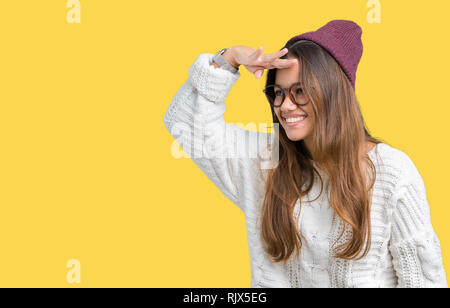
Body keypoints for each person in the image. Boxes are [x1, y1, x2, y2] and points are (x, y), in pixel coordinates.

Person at [163, 20, 448, 288]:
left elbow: (423, 280)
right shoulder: (266, 161)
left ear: (334, 94)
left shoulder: (391, 172)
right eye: (277, 92)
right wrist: (229, 58)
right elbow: (186, 125)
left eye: (299, 91)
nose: (284, 106)